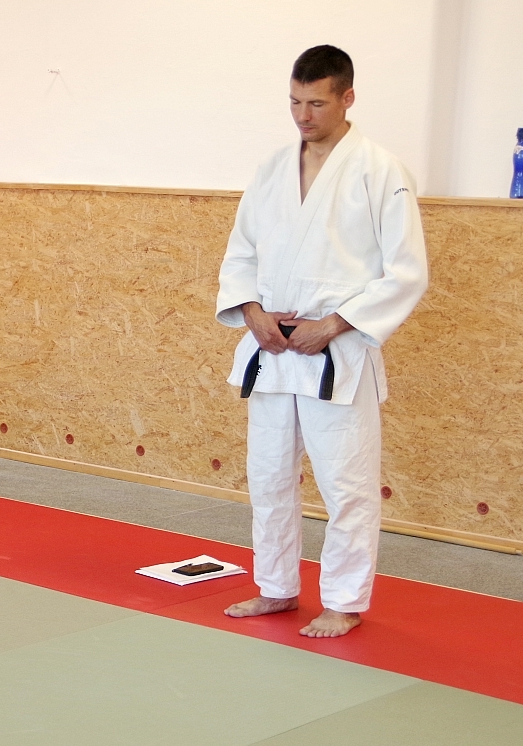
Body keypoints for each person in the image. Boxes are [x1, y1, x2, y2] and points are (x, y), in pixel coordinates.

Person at [214, 45, 428, 638]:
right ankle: (276, 587)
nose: (302, 116)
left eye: (315, 103)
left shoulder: (380, 170)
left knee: (346, 485)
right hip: (273, 350)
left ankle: (343, 600)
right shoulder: (271, 170)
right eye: (294, 102)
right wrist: (252, 312)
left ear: (347, 98)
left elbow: (407, 271)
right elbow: (241, 253)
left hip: (338, 351)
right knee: (269, 478)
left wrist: (333, 325)